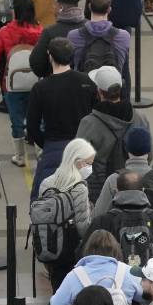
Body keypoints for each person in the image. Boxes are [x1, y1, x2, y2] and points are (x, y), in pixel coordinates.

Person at [26, 37, 97, 199]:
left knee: (43, 196)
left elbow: (32, 127)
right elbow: (96, 115)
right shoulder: (86, 82)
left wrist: (47, 143)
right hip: (82, 147)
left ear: (50, 56)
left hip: (53, 148)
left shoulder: (41, 88)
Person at [0, 0, 42, 167]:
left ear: (15, 12)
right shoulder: (40, 31)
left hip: (11, 84)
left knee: (16, 119)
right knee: (37, 117)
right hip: (36, 83)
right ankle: (40, 152)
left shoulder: (6, 32)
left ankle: (20, 157)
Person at [75, 66, 150, 203]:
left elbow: (79, 164)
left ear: (99, 91)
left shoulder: (89, 123)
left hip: (99, 192)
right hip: (136, 189)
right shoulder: (140, 118)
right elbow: (148, 156)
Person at [35, 137, 95, 297]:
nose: (90, 168)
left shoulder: (47, 183)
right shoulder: (79, 187)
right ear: (77, 161)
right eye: (88, 163)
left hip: (50, 247)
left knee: (57, 292)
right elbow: (83, 227)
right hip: (70, 251)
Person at [87, 171, 153, 262]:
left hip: (114, 279)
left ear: (116, 191)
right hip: (151, 279)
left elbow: (84, 255)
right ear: (143, 190)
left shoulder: (102, 222)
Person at [68, 0, 132, 87]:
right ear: (109, 9)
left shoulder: (73, 36)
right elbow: (124, 70)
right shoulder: (123, 36)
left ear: (89, 6)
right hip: (112, 93)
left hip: (84, 93)